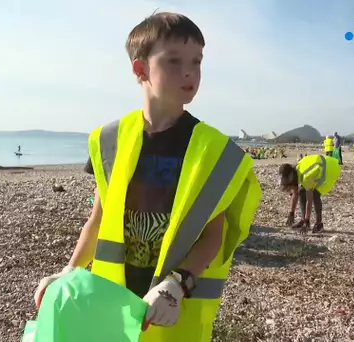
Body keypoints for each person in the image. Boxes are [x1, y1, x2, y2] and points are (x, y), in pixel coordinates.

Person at [33, 12, 262, 341]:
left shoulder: (213, 149)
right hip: (114, 298)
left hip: (176, 307)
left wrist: (178, 284)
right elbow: (98, 219)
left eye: (197, 62)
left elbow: (214, 234)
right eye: (173, 61)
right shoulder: (110, 140)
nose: (189, 72)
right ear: (141, 69)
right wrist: (70, 270)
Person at [278, 154, 341, 234]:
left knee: (315, 193)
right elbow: (296, 193)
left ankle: (319, 224)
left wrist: (307, 220)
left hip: (330, 169)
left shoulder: (306, 176)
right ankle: (303, 219)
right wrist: (291, 212)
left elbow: (309, 199)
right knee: (301, 191)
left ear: (290, 177)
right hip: (321, 166)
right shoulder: (296, 171)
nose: (288, 188)